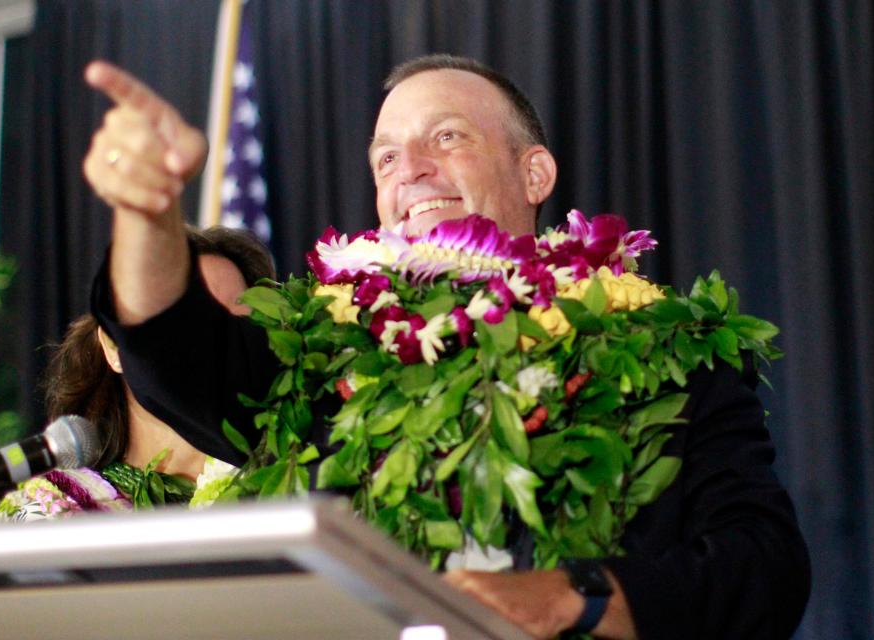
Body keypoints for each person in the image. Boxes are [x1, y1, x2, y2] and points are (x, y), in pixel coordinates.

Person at [82, 55, 810, 639]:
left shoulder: (660, 347)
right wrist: (147, 214)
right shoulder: (328, 353)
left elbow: (765, 569)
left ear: (536, 173)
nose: (413, 171)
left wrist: (573, 596)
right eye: (387, 158)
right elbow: (173, 352)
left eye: (448, 137)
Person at [0, 226, 275, 521]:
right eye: (188, 325)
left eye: (237, 325)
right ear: (114, 348)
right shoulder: (52, 511)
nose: (215, 346)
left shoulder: (290, 477)